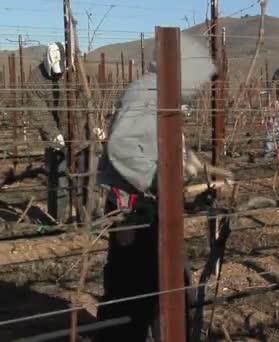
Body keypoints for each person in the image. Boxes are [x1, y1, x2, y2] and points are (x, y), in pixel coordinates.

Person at [93, 32, 217, 341]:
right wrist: (164, 182)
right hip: (131, 208)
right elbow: (122, 147)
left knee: (156, 280)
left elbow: (166, 145)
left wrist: (199, 171)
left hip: (146, 203)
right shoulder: (145, 93)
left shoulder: (161, 94)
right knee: (133, 284)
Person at [26, 42, 102, 223]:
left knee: (88, 178)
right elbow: (38, 111)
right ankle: (57, 221)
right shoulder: (36, 79)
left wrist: (96, 125)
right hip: (56, 138)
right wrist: (53, 133)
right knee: (58, 180)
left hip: (83, 135)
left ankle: (89, 219)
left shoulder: (81, 73)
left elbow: (93, 99)